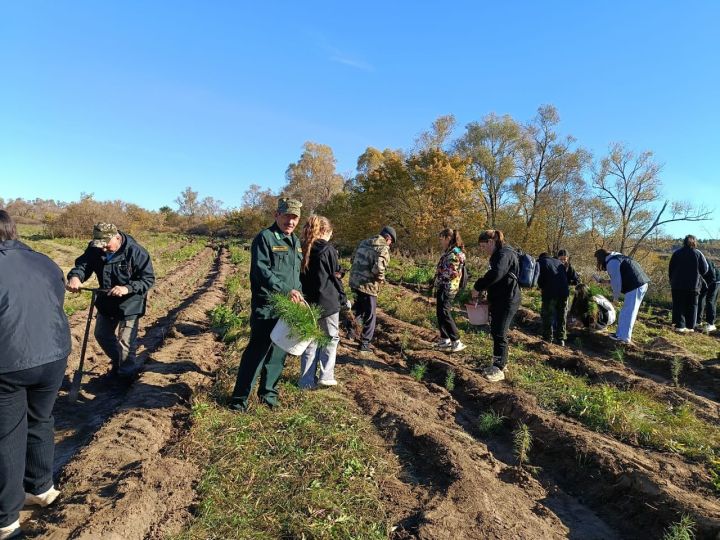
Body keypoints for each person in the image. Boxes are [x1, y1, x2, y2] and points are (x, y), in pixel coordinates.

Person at [0, 211, 71, 540]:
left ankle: (6, 518)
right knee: (40, 419)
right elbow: (56, 301)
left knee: (8, 436)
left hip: (10, 363)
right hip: (55, 353)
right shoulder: (45, 261)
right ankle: (42, 489)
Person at [229, 198, 304, 412]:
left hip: (288, 308)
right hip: (267, 306)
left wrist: (299, 295)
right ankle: (239, 400)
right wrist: (284, 290)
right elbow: (261, 271)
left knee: (279, 353)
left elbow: (295, 276)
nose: (290, 221)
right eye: (287, 216)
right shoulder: (266, 238)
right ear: (277, 215)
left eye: (295, 217)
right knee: (257, 352)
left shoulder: (296, 242)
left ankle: (268, 396)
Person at [66, 223, 155, 378]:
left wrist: (127, 288)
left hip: (130, 304)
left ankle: (125, 377)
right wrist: (75, 277)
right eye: (100, 246)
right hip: (107, 301)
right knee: (102, 334)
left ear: (117, 237)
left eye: (106, 246)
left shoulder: (136, 252)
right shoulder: (96, 248)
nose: (103, 250)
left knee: (125, 343)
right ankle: (119, 362)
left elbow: (148, 279)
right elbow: (84, 264)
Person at [298, 215, 347, 389]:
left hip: (306, 301)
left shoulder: (301, 247)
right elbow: (334, 277)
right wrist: (343, 298)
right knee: (330, 338)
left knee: (310, 340)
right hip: (327, 301)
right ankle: (326, 375)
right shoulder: (328, 249)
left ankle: (306, 381)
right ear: (326, 231)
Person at [472, 230, 521, 382]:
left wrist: (478, 286)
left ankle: (499, 368)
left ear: (491, 242)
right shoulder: (501, 254)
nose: (482, 249)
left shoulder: (504, 254)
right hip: (501, 298)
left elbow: (496, 273)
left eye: (483, 246)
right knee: (496, 330)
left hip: (508, 300)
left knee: (500, 332)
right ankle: (498, 363)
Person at [349, 226, 396, 356]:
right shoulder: (383, 248)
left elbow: (352, 259)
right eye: (391, 241)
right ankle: (364, 344)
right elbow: (379, 269)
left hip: (355, 282)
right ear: (388, 238)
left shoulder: (364, 242)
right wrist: (381, 279)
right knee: (370, 315)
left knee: (358, 308)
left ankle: (351, 333)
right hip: (369, 286)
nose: (390, 244)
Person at [593, 249, 650, 344]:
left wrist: (615, 299)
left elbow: (617, 283)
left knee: (629, 311)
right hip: (637, 284)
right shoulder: (615, 257)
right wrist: (603, 281)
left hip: (636, 285)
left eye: (598, 260)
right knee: (625, 311)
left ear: (601, 258)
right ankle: (619, 334)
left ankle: (624, 338)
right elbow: (619, 278)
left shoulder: (612, 262)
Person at [433, 228, 467, 353]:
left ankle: (456, 340)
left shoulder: (453, 253)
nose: (440, 242)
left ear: (448, 238)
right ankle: (444, 339)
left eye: (442, 239)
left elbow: (453, 272)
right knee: (440, 312)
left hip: (448, 287)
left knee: (444, 312)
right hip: (445, 286)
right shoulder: (454, 250)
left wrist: (440, 272)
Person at [668, 235, 708, 333]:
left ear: (684, 242)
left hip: (677, 285)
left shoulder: (676, 253)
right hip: (693, 286)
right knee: (692, 305)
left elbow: (671, 269)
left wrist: (672, 280)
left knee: (678, 305)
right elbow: (705, 269)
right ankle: (690, 326)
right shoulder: (698, 254)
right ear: (695, 243)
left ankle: (679, 326)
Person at [536, 252, 570, 346]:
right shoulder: (558, 261)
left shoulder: (540, 262)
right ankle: (561, 339)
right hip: (564, 292)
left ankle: (547, 338)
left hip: (550, 293)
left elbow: (540, 278)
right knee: (562, 316)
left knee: (547, 315)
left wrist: (540, 286)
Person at [696, 258, 720, 332]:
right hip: (705, 281)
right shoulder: (692, 259)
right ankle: (698, 321)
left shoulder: (701, 259)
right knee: (700, 298)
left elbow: (712, 277)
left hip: (715, 281)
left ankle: (711, 324)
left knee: (710, 301)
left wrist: (706, 286)